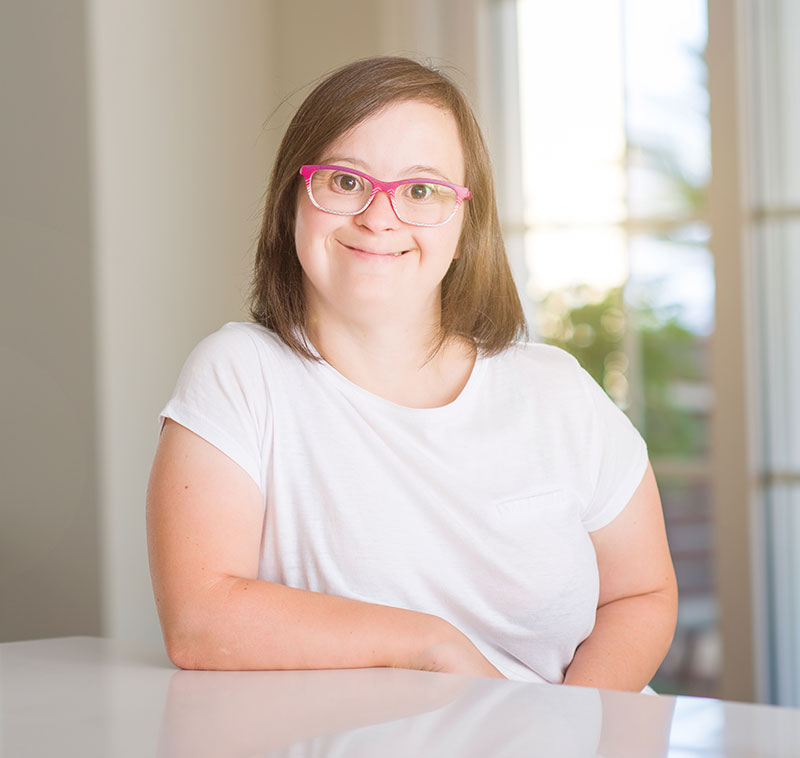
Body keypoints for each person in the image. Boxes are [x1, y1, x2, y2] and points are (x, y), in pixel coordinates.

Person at [146, 56, 677, 690]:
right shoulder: (239, 376)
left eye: (421, 190)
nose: (379, 216)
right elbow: (200, 621)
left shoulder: (557, 389)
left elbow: (640, 594)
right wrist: (430, 646)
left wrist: (565, 730)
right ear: (296, 196)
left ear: (464, 222)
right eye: (345, 181)